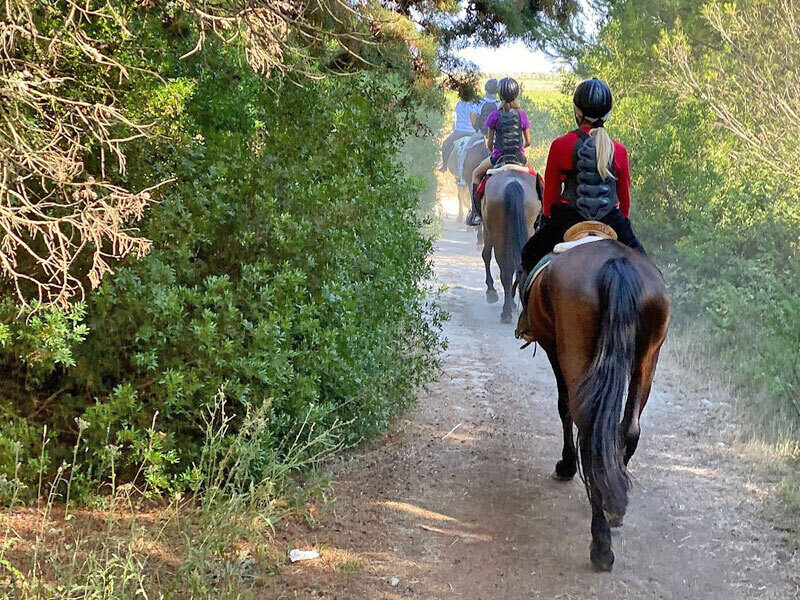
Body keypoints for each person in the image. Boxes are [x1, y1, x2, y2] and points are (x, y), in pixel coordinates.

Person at [519, 78, 645, 274]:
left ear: (577, 112)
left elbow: (550, 197)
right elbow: (625, 201)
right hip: (611, 220)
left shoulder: (561, 145)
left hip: (568, 220)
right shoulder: (618, 149)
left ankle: (525, 304)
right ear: (607, 114)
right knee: (648, 269)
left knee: (528, 255)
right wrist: (623, 223)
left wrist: (547, 220)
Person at [466, 77, 531, 226]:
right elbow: (528, 142)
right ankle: (542, 212)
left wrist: (494, 151)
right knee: (537, 179)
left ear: (500, 95)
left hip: (498, 156)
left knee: (476, 174)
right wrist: (519, 149)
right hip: (519, 157)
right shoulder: (522, 115)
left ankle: (476, 214)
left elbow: (490, 144)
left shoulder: (494, 115)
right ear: (516, 94)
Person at [439, 82, 480, 172]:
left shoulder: (459, 104)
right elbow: (474, 120)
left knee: (445, 144)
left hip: (459, 132)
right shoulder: (474, 105)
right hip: (471, 132)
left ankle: (444, 165)